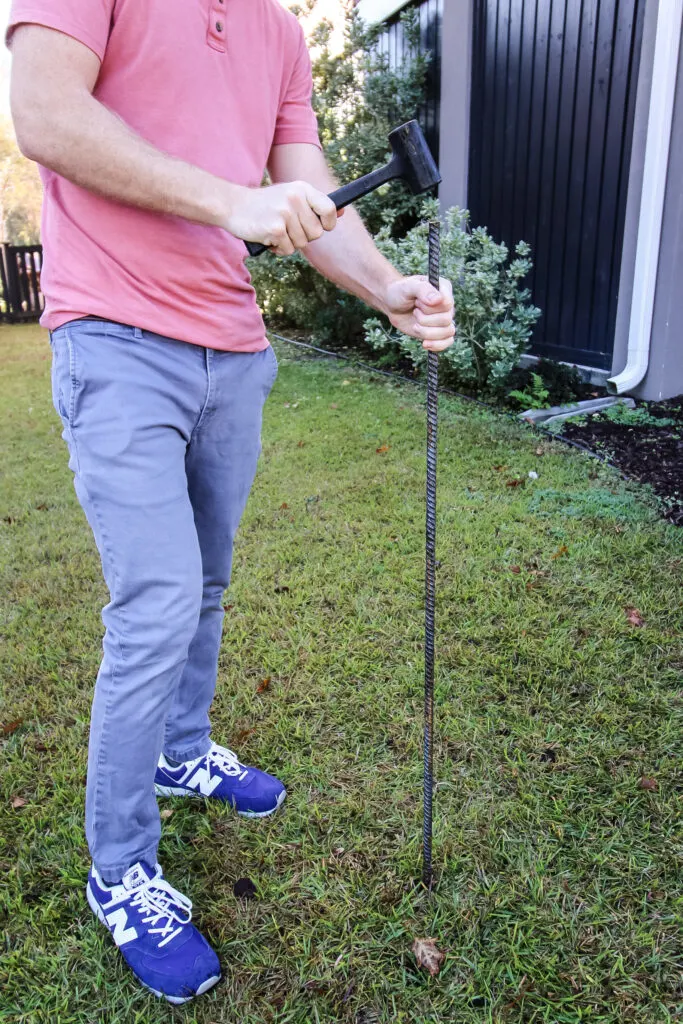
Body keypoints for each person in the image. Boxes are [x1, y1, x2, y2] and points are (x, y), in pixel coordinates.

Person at [7, 0, 455, 1004]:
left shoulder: (278, 31)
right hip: (116, 338)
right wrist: (228, 200)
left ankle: (179, 751)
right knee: (158, 599)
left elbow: (306, 195)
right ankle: (120, 866)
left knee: (204, 582)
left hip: (232, 349)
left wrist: (390, 289)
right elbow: (40, 112)